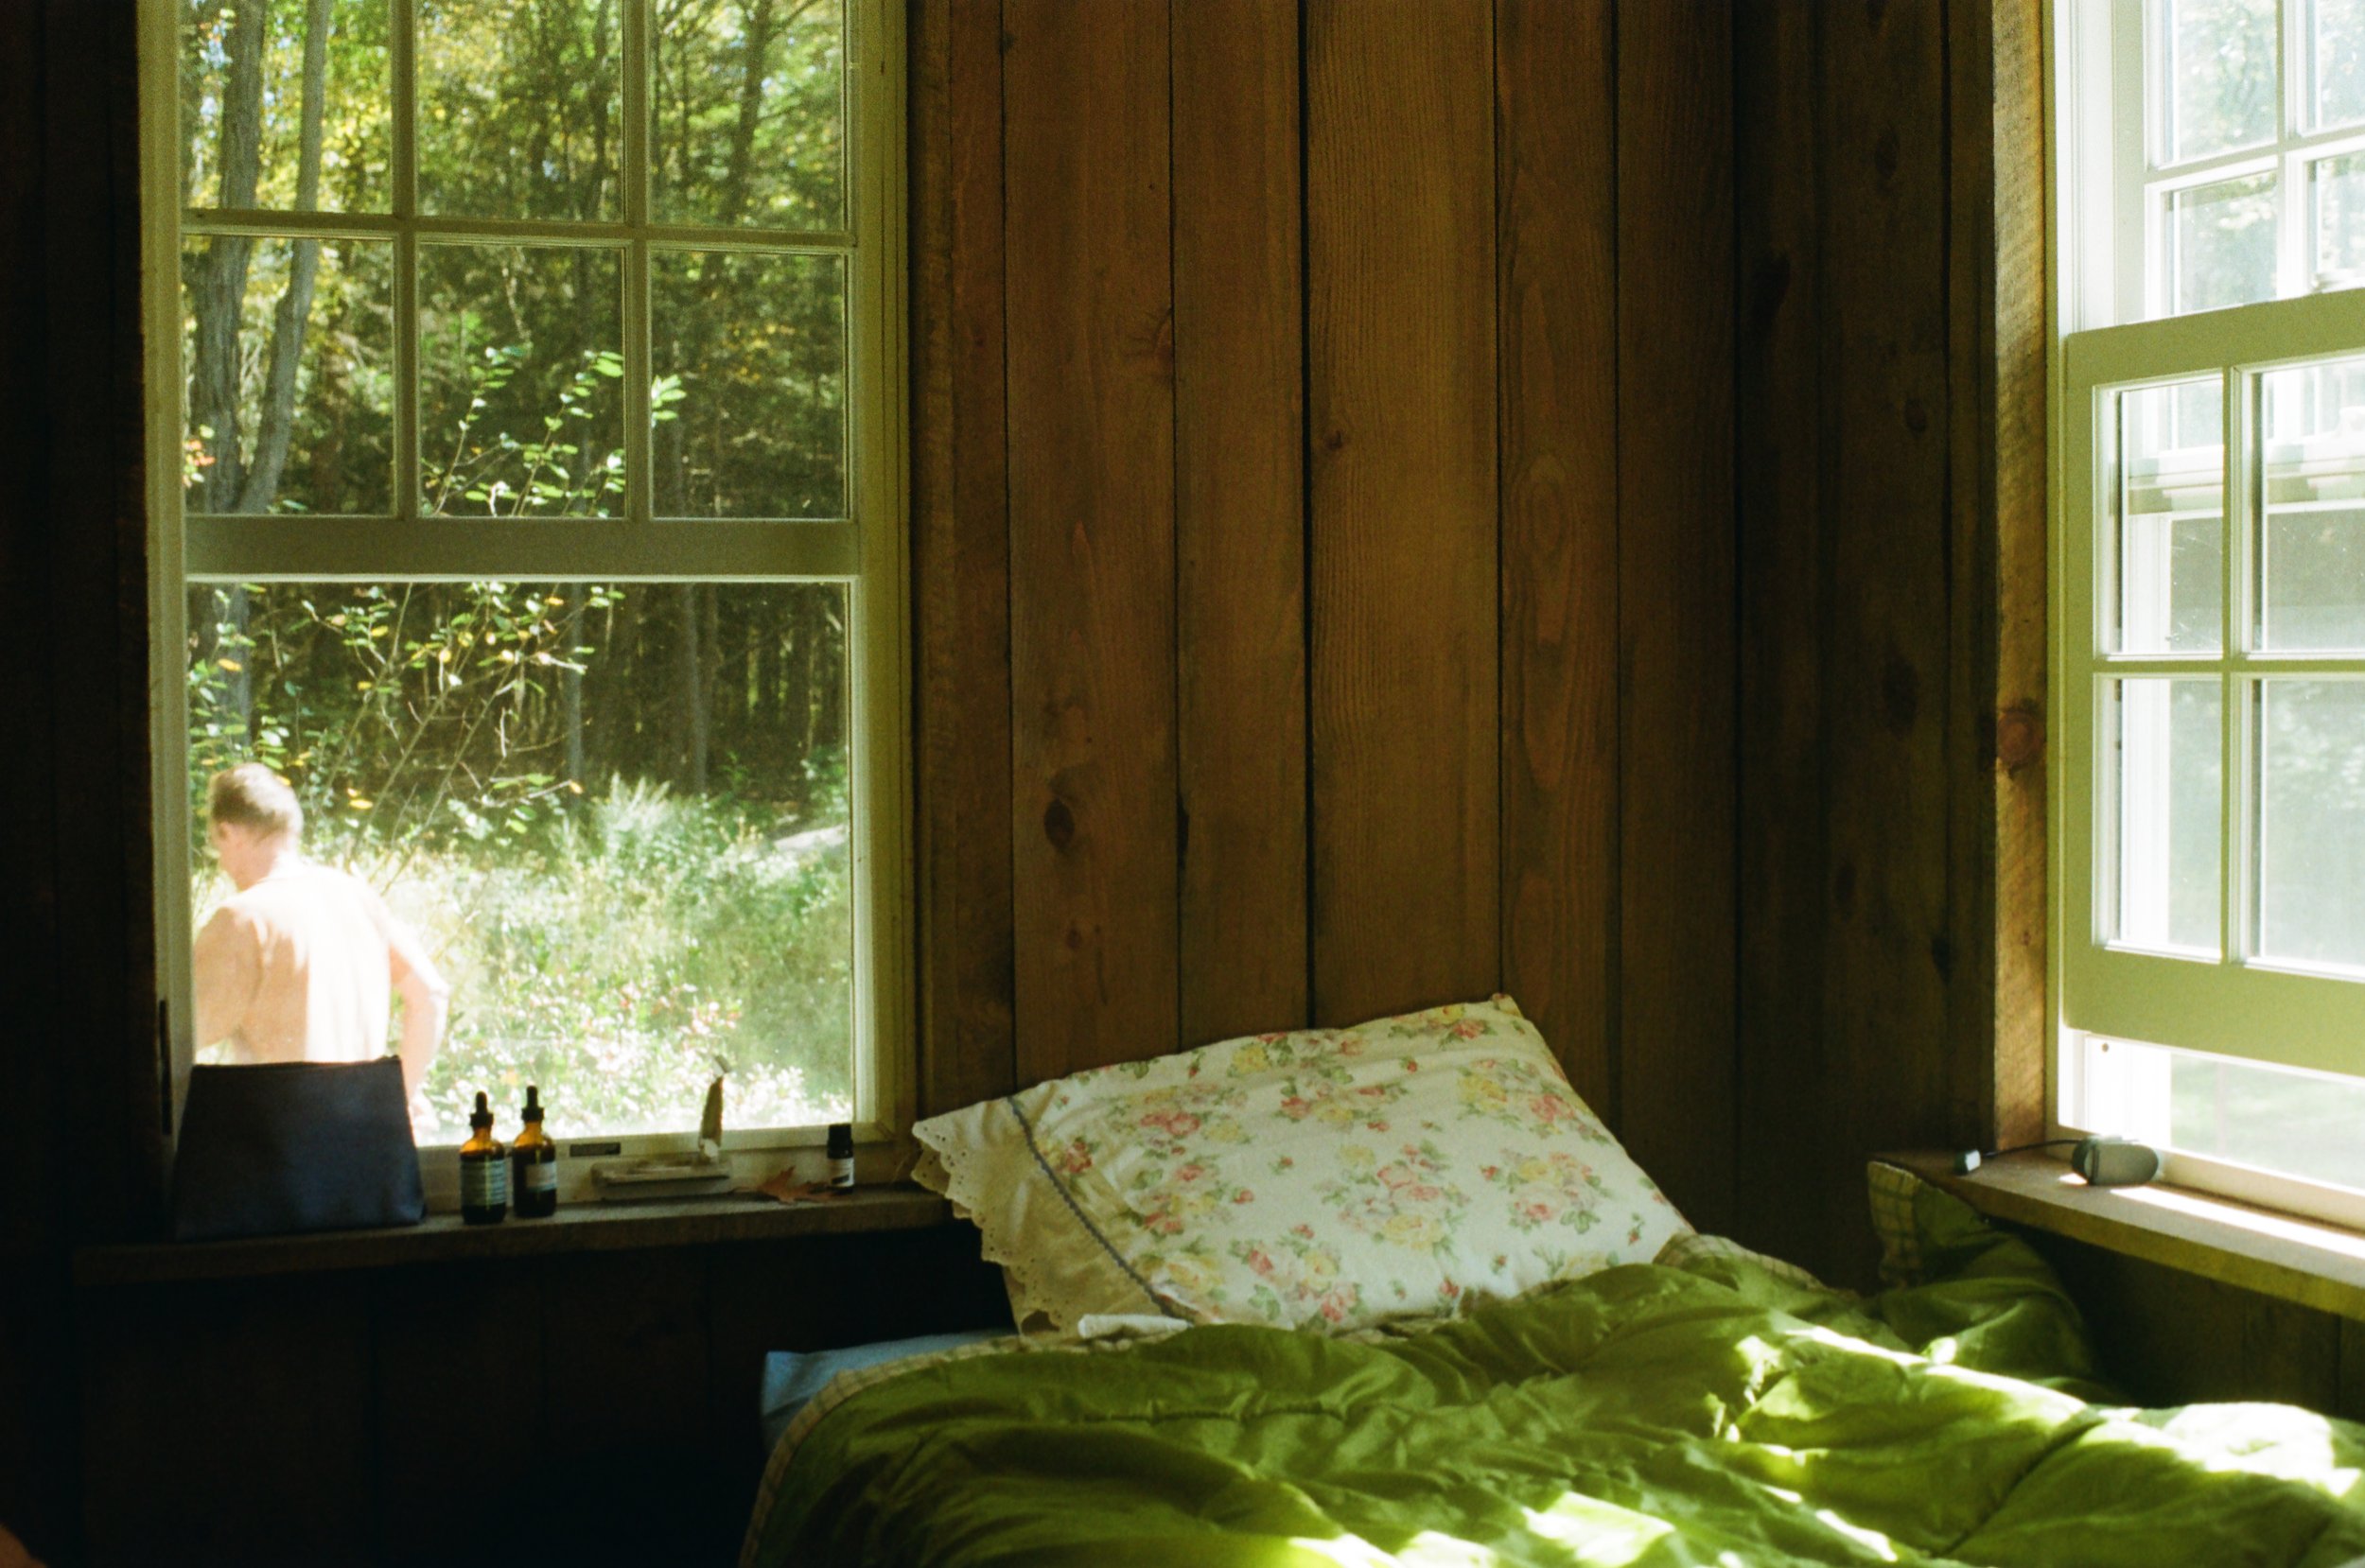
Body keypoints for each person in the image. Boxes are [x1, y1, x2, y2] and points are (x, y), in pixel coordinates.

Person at [191, 764, 448, 1110]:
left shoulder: (242, 921)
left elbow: (175, 1042)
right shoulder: (356, 897)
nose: (221, 863)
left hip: (285, 1150)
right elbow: (430, 995)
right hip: (363, 1144)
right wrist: (397, 1103)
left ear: (228, 832)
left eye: (215, 845)